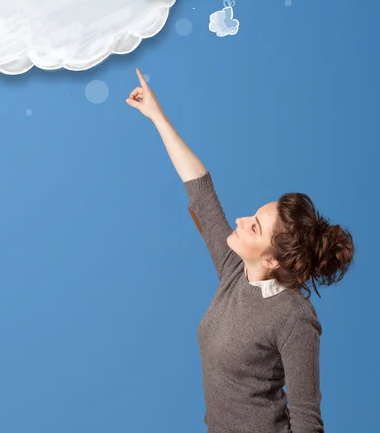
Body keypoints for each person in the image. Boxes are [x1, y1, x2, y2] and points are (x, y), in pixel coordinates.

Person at [125, 68, 355, 433]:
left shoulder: (294, 317)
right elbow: (201, 191)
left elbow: (307, 421)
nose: (240, 219)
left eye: (254, 226)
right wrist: (156, 115)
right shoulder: (236, 272)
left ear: (272, 259)